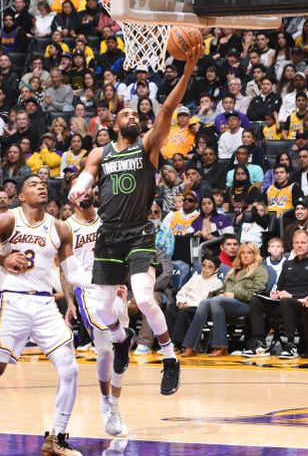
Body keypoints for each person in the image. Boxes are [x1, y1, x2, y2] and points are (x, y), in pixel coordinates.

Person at [67, 44, 203, 396]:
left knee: (144, 299)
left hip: (140, 232)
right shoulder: (101, 151)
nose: (131, 116)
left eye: (134, 114)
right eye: (125, 113)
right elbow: (87, 174)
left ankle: (170, 358)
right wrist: (79, 188)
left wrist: (187, 71)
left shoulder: (148, 146)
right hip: (108, 235)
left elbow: (169, 108)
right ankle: (121, 339)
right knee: (100, 306)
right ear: (113, 124)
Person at [0, 175, 83, 456]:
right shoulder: (8, 219)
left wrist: (72, 300)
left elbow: (68, 271)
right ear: (22, 196)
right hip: (12, 301)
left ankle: (56, 438)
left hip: (44, 305)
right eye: (32, 184)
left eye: (43, 183)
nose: (40, 186)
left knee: (70, 368)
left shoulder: (61, 229)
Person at [65, 185, 129, 437]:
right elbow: (66, 269)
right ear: (71, 197)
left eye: (87, 189)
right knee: (104, 348)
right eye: (78, 192)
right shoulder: (66, 227)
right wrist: (70, 302)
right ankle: (105, 401)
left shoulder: (110, 218)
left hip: (116, 287)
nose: (83, 194)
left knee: (120, 349)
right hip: (88, 290)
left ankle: (115, 404)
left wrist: (124, 279)